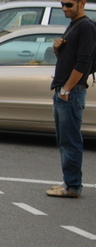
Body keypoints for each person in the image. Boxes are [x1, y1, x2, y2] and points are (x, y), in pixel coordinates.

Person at [46, 0, 96, 198]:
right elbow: (69, 59)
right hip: (64, 90)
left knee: (71, 140)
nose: (65, 8)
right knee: (64, 140)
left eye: (69, 4)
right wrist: (58, 49)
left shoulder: (86, 27)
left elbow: (84, 62)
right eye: (62, 4)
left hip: (71, 92)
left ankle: (73, 186)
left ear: (81, 2)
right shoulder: (74, 26)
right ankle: (69, 181)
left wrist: (66, 89)